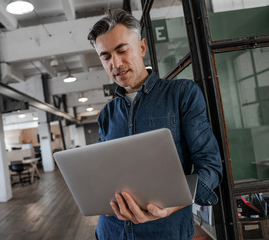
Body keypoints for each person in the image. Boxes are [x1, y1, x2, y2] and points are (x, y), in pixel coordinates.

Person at [87, 9, 223, 240]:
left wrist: (171, 206)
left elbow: (211, 169)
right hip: (111, 232)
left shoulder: (181, 95)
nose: (116, 63)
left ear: (141, 47)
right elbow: (103, 174)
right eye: (106, 57)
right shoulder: (107, 114)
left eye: (122, 50)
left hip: (164, 231)